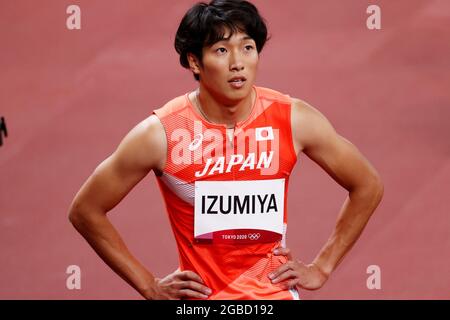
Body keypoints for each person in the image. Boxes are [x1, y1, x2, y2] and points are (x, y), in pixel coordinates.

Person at [68, 0, 384, 300]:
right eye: (221, 50)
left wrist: (322, 266)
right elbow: (86, 210)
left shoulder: (293, 119)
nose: (237, 63)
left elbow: (368, 185)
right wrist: (149, 285)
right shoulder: (162, 133)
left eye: (247, 48)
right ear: (195, 61)